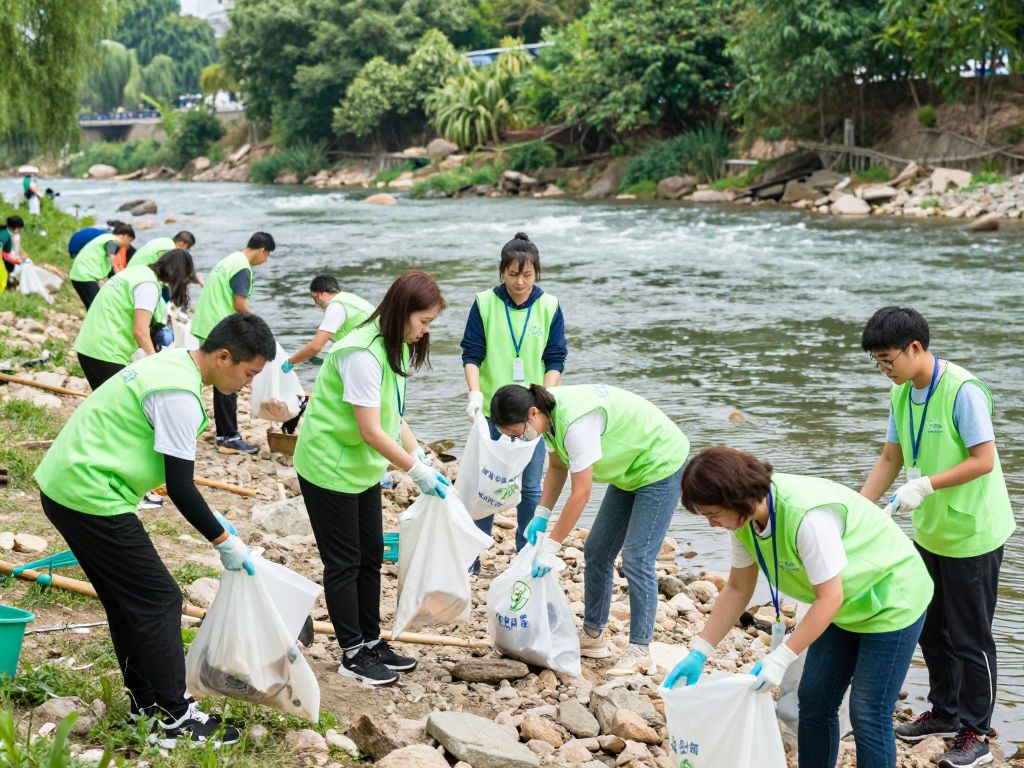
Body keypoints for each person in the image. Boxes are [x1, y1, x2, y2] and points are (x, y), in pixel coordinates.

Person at [33, 313, 276, 748]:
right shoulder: (179, 393)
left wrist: (218, 523)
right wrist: (225, 542)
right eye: (248, 373)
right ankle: (176, 719)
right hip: (90, 495)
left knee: (128, 602)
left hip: (69, 485)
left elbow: (169, 472)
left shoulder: (171, 364)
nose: (247, 384)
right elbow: (181, 487)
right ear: (223, 356)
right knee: (160, 598)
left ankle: (147, 706)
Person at [666, 446, 932, 768]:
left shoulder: (807, 517)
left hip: (892, 599)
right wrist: (699, 650)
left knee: (868, 712)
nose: (711, 524)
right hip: (843, 604)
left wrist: (781, 657)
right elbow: (738, 588)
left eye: (712, 513)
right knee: (815, 700)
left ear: (738, 499)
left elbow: (829, 598)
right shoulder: (744, 521)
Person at [859, 306, 1014, 768]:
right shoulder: (902, 393)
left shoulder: (962, 390)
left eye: (888, 360)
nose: (885, 370)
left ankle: (976, 734)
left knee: (971, 637)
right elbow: (890, 458)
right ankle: (944, 713)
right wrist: (860, 511)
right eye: (877, 363)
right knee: (930, 626)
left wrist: (924, 484)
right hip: (930, 530)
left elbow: (983, 459)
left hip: (973, 532)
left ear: (916, 348)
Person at [293, 271, 450, 687]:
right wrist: (415, 472)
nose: (426, 330)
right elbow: (370, 429)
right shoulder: (360, 353)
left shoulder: (390, 348)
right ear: (403, 312)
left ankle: (371, 640)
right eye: (424, 321)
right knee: (343, 560)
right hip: (329, 466)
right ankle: (351, 652)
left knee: (372, 553)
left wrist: (421, 455)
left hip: (360, 467)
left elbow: (392, 416)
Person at [489, 383, 689, 675]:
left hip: (659, 463)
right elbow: (558, 467)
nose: (519, 439)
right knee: (596, 550)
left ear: (532, 413)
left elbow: (581, 493)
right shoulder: (547, 420)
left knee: (637, 557)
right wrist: (542, 515)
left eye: (516, 433)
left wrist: (551, 547)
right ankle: (594, 635)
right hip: (629, 468)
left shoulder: (575, 422)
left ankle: (640, 649)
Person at [461, 232, 567, 555]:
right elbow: (471, 354)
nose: (520, 281)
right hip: (495, 410)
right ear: (502, 272)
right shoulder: (484, 303)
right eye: (513, 274)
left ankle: (526, 551)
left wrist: (545, 400)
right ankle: (474, 553)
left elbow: (555, 358)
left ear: (537, 273)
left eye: (527, 274)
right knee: (485, 484)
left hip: (533, 412)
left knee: (532, 486)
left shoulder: (550, 306)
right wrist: (474, 394)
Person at [190, 232, 276, 454]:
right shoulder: (242, 268)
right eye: (267, 256)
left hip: (208, 322)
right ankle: (228, 436)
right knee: (229, 379)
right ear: (263, 250)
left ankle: (223, 433)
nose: (265, 261)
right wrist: (259, 326)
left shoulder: (230, 260)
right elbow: (240, 304)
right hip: (220, 327)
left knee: (216, 378)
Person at [72, 249, 195, 390]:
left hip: (88, 345)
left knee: (105, 404)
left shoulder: (138, 272)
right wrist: (154, 360)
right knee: (118, 405)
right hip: (107, 351)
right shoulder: (148, 285)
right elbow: (140, 331)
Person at [281, 274, 373, 373]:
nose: (316, 304)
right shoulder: (350, 299)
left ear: (319, 294)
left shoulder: (336, 306)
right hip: (377, 353)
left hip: (366, 359)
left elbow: (315, 347)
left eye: (314, 298)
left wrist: (290, 362)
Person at [69, 223, 135, 310]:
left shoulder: (105, 237)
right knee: (97, 308)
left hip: (80, 274)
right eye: (130, 241)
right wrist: (112, 258)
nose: (129, 245)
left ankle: (90, 323)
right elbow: (110, 246)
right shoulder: (112, 240)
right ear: (125, 236)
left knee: (92, 308)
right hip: (85, 276)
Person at [130, 232, 196, 267]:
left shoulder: (164, 241)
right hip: (139, 274)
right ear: (183, 244)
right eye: (187, 248)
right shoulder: (170, 249)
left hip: (130, 270)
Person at [0, 216, 25, 294]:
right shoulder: (5, 235)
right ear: (16, 228)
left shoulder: (5, 231)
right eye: (20, 229)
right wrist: (15, 261)